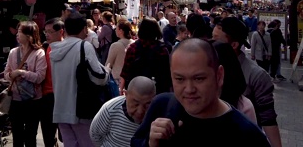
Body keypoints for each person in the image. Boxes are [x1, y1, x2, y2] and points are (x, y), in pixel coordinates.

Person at [130, 39, 270, 147]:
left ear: (219, 76)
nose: (189, 89)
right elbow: (135, 142)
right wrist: (150, 143)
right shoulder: (161, 105)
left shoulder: (248, 136)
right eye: (179, 79)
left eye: (199, 79)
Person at [212, 17, 282, 147]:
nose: (210, 44)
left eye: (215, 40)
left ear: (234, 45)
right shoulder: (207, 69)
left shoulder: (256, 75)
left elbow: (268, 118)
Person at [50, 14, 109, 147]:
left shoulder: (54, 49)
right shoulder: (84, 46)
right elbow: (99, 78)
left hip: (60, 107)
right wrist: (107, 71)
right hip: (80, 109)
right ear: (84, 29)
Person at [4, 21, 47, 147]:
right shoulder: (13, 52)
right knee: (16, 135)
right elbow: (6, 73)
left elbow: (40, 77)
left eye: (20, 32)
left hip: (33, 100)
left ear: (29, 36)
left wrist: (21, 73)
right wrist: (11, 75)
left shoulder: (39, 53)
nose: (17, 35)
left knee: (30, 135)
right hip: (16, 99)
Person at [89, 77, 156, 147]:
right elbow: (95, 134)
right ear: (126, 94)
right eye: (135, 103)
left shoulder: (156, 115)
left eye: (147, 105)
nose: (140, 111)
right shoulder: (111, 109)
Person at [120, 18, 171, 95]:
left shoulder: (133, 48)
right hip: (158, 91)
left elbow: (125, 71)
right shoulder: (162, 49)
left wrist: (121, 88)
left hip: (136, 90)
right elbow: (167, 72)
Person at [40, 18, 65, 147]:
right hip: (47, 96)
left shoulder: (68, 49)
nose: (47, 34)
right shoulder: (44, 48)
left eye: (50, 31)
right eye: (45, 31)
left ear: (61, 32)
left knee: (64, 136)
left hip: (63, 96)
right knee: (48, 135)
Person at [105, 20, 133, 87]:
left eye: (116, 28)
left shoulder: (115, 45)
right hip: (131, 80)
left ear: (121, 31)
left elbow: (108, 64)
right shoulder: (134, 44)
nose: (115, 30)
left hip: (118, 81)